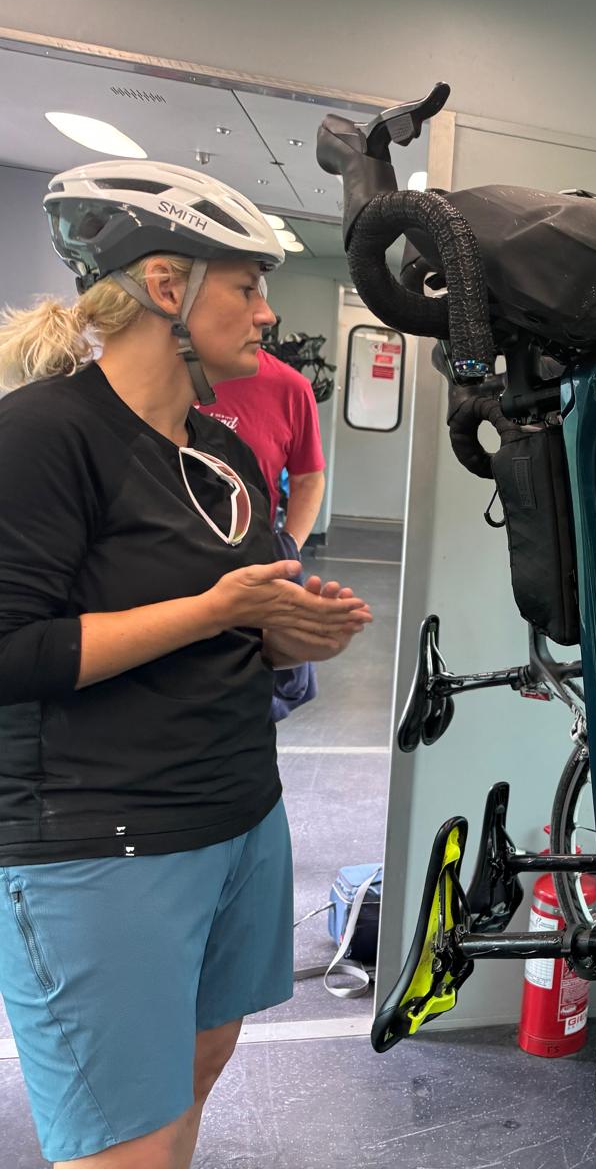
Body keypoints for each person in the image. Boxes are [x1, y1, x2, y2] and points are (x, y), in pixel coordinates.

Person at [0, 160, 373, 1169]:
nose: (265, 314)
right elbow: (12, 650)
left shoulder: (223, 452)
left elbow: (241, 626)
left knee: (190, 1083)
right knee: (125, 1141)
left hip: (239, 816)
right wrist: (211, 607)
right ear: (167, 287)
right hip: (101, 835)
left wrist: (289, 629)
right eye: (246, 287)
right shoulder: (42, 436)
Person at [199, 344, 325, 549]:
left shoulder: (290, 387)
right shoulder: (162, 373)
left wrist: (289, 547)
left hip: (247, 551)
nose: (267, 316)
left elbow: (308, 478)